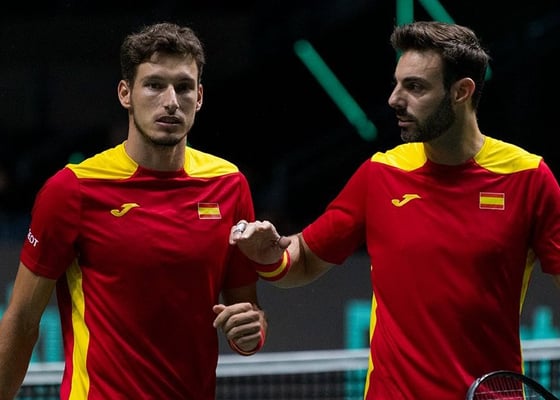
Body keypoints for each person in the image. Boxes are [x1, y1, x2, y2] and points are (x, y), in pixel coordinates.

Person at [229, 20, 560, 399]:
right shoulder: (381, 173)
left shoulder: (527, 178)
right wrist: (271, 257)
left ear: (461, 92)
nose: (394, 99)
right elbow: (304, 258)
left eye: (415, 87)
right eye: (397, 83)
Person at [0, 22, 267, 400]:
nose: (171, 101)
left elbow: (246, 310)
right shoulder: (73, 189)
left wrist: (253, 330)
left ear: (199, 97)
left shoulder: (229, 185)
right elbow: (23, 319)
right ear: (125, 93)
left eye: (183, 87)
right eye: (154, 85)